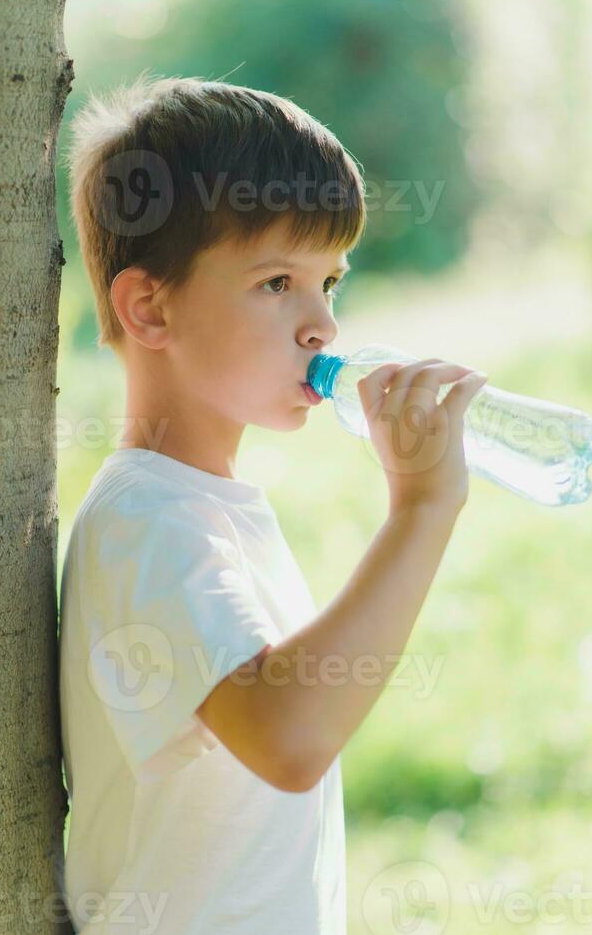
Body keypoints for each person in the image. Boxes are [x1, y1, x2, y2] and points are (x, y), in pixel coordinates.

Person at [58, 71, 488, 934]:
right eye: (275, 284)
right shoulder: (151, 523)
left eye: (330, 282)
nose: (322, 326)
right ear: (149, 308)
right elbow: (287, 738)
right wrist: (420, 510)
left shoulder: (203, 507)